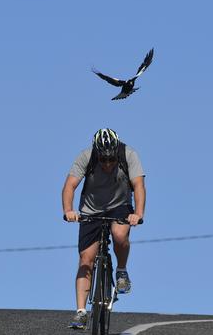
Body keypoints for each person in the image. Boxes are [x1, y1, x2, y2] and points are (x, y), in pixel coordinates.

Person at [62, 128, 146, 330]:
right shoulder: (86, 156)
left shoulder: (129, 154)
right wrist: (68, 210)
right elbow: (69, 186)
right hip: (91, 210)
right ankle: (81, 312)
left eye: (111, 160)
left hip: (119, 206)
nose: (107, 164)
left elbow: (139, 185)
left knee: (119, 235)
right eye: (103, 160)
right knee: (85, 259)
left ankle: (122, 271)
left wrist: (139, 214)